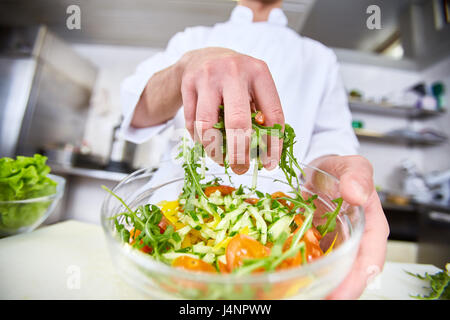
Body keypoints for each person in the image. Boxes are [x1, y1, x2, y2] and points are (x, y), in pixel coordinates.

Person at [120, 0, 389, 299]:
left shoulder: (319, 58)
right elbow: (135, 113)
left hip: (275, 254)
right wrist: (186, 67)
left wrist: (334, 179)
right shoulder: (191, 39)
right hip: (168, 242)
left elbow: (331, 145)